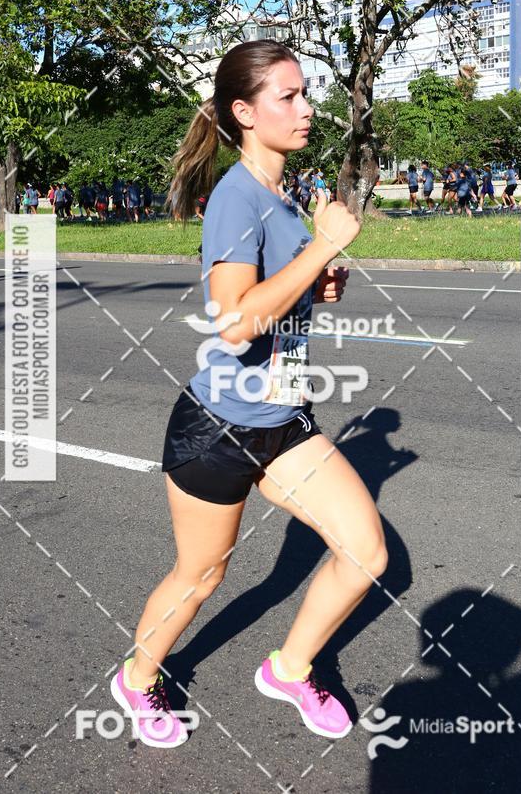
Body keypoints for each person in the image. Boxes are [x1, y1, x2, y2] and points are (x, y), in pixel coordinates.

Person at [110, 40, 388, 748]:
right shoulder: (236, 197)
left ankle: (291, 668)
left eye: (305, 93)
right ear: (244, 111)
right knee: (200, 579)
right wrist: (322, 249)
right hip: (220, 429)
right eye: (288, 96)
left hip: (285, 419)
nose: (307, 108)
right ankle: (137, 680)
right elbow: (234, 324)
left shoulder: (280, 196)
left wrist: (317, 284)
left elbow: (274, 303)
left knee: (364, 553)